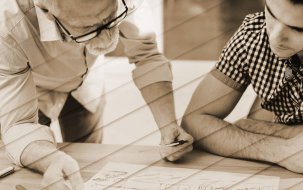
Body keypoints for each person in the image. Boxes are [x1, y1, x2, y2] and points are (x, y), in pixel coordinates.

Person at [0, 0, 193, 189]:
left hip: (86, 83)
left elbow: (147, 55)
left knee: (89, 164)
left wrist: (168, 127)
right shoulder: (6, 25)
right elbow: (19, 124)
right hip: (32, 86)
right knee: (37, 172)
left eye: (110, 16)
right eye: (88, 27)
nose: (106, 35)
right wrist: (50, 160)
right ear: (47, 11)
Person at [182, 0, 303, 178]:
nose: (275, 36)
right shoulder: (252, 32)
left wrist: (248, 127)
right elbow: (193, 122)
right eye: (272, 14)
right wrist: (282, 151)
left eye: (298, 29)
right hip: (273, 171)